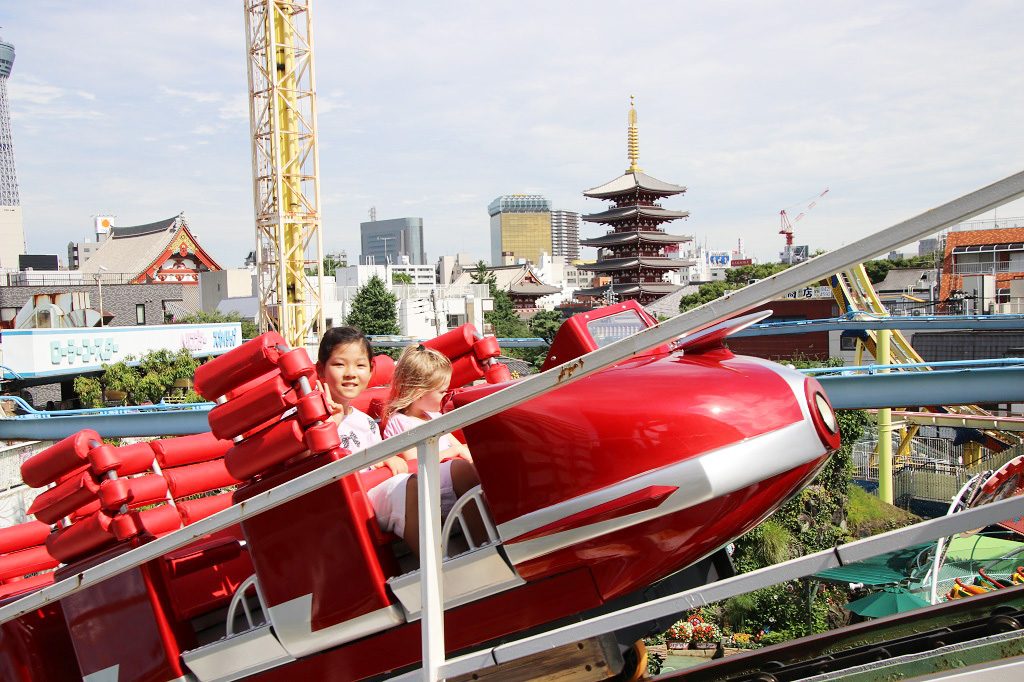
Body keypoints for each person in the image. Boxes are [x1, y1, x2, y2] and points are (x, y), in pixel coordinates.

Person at [379, 344, 485, 556]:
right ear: (419, 393)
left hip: (446, 480)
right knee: (462, 470)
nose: (445, 397)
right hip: (428, 486)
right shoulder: (400, 422)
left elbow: (457, 446)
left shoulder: (434, 418)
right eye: (441, 392)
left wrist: (465, 453)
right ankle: (483, 540)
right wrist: (454, 455)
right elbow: (414, 462)